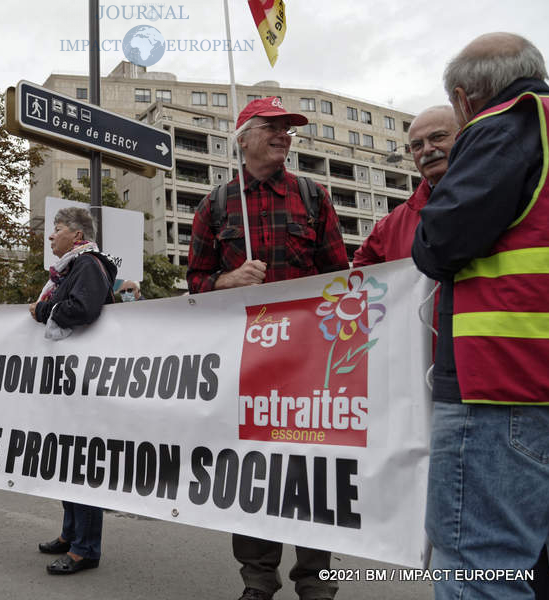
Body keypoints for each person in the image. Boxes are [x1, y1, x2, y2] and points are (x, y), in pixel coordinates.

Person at [412, 33, 549, 600]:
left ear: (466, 100)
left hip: (505, 388)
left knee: (481, 565)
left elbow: (440, 241)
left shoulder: (507, 124)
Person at [187, 96, 348, 600]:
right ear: (244, 138)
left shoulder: (314, 196)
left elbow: (340, 278)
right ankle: (258, 581)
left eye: (288, 129)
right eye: (272, 127)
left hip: (308, 366)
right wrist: (226, 280)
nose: (284, 135)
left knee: (313, 475)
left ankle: (316, 582)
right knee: (254, 474)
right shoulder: (214, 205)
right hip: (246, 364)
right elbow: (194, 285)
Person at [29, 206, 117, 575]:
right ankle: (70, 534)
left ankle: (86, 549)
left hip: (86, 383)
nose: (51, 236)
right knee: (67, 461)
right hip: (69, 381)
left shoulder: (88, 265)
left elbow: (83, 308)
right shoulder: (71, 268)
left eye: (58, 229)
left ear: (77, 236)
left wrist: (41, 310)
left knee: (82, 465)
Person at [353, 106, 458, 266]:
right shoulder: (391, 226)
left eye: (437, 137)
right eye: (417, 146)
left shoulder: (499, 192)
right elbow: (362, 272)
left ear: (463, 136)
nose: (427, 150)